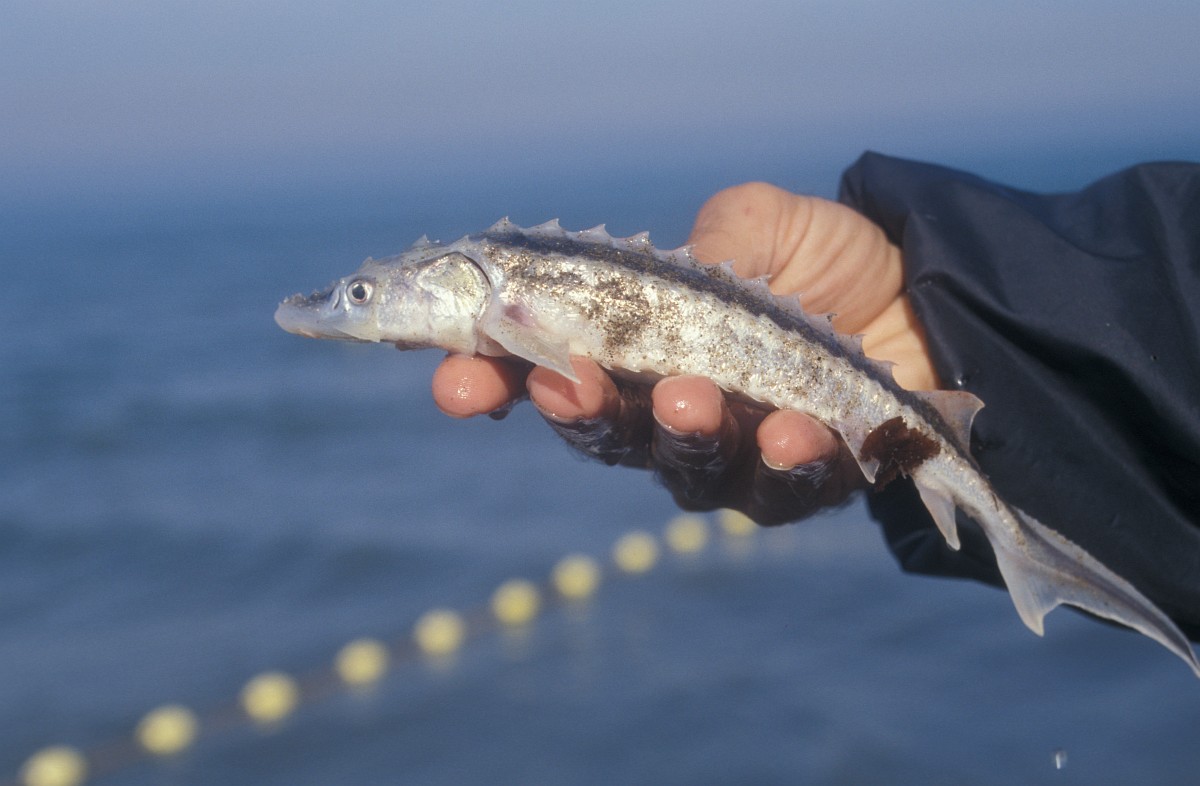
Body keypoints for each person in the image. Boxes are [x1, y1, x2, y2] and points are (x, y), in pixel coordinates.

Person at [428, 153, 1200, 638]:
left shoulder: (503, 280)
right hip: (915, 387)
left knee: (706, 416)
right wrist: (937, 315)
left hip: (886, 395)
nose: (365, 309)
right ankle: (1034, 551)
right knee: (713, 421)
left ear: (459, 282)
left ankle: (1033, 553)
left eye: (371, 295)